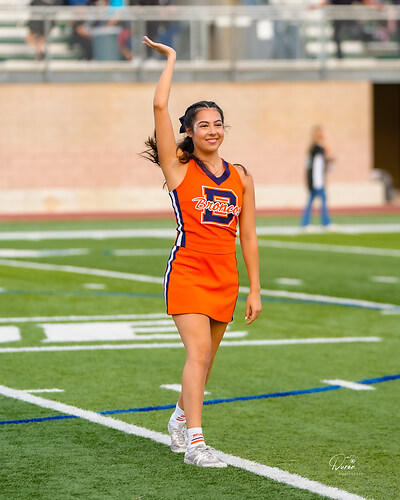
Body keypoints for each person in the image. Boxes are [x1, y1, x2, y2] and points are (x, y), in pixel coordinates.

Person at [141, 36, 262, 468]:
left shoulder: (241, 177)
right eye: (204, 125)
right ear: (189, 132)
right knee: (198, 355)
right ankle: (195, 443)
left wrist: (255, 289)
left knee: (206, 362)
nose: (212, 130)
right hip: (188, 273)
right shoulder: (178, 169)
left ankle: (178, 418)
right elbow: (159, 107)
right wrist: (172, 58)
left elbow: (248, 236)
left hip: (225, 278)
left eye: (218, 124)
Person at [301, 125, 335, 230]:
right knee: (321, 200)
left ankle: (306, 223)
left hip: (317, 180)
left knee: (312, 201)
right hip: (316, 181)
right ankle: (325, 223)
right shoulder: (316, 148)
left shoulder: (314, 148)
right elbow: (328, 150)